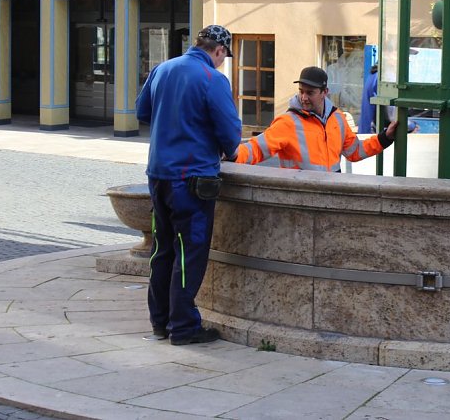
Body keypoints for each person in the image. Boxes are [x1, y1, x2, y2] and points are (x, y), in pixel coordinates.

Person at [135, 24, 242, 346]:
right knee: (189, 252)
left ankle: (160, 321)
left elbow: (142, 112)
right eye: (224, 56)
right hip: (192, 179)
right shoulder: (212, 79)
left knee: (163, 250)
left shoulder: (163, 69)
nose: (223, 62)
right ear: (219, 51)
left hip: (159, 175)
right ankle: (183, 327)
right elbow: (231, 134)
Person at [230, 66, 397, 171]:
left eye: (310, 92)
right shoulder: (288, 122)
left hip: (332, 195)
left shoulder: (337, 118)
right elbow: (257, 148)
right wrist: (232, 154)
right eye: (301, 91)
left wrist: (385, 138)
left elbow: (354, 151)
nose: (304, 97)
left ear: (325, 92)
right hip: (299, 198)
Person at [359, 64, 418, 134]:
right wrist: (412, 126)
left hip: (366, 132)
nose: (409, 60)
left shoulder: (374, 76)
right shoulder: (386, 79)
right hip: (377, 135)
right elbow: (393, 119)